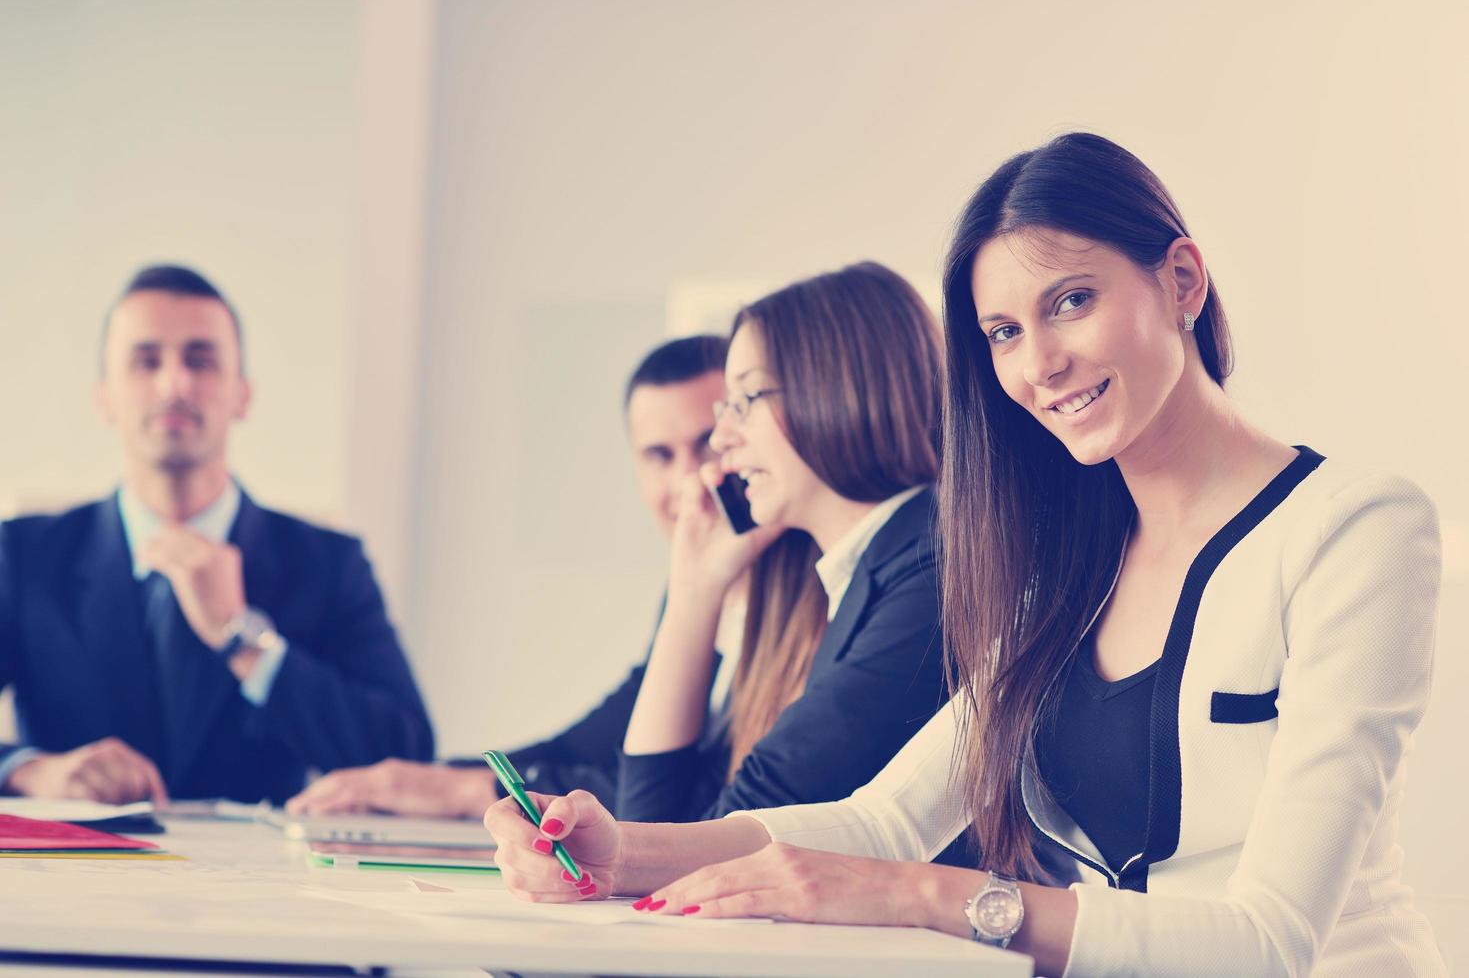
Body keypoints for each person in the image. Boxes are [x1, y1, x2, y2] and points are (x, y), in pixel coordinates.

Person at [484, 134, 1446, 977]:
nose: (1038, 364)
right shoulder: (1064, 561)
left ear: (1182, 282)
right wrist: (619, 854)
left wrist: (923, 897)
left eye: (1070, 301)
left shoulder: (1355, 529)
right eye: (1002, 333)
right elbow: (881, 820)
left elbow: (1268, 943)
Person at [0, 265, 433, 804]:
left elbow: (408, 752)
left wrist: (244, 638)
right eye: (146, 361)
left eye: (200, 361)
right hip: (71, 880)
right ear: (104, 398)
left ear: (241, 395)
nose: (175, 383)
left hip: (264, 883)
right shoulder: (23, 554)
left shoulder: (327, 562)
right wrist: (26, 770)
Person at [285, 335, 736, 818]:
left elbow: (686, 801)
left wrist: (471, 793)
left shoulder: (799, 599)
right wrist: (435, 777)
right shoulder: (687, 592)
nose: (688, 482)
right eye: (660, 456)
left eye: (707, 445)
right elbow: (593, 745)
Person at [614, 261, 947, 828]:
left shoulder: (931, 570)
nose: (723, 439)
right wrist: (696, 590)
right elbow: (658, 824)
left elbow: (689, 838)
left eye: (747, 399)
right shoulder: (869, 564)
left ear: (837, 390)